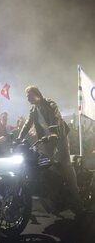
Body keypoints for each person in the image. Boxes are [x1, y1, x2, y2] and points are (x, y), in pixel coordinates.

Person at [18, 85, 83, 213]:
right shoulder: (33, 110)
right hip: (46, 140)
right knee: (46, 165)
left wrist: (54, 133)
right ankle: (53, 194)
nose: (28, 99)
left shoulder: (49, 104)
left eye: (29, 96)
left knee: (65, 164)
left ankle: (77, 198)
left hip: (59, 137)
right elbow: (27, 124)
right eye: (27, 97)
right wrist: (19, 138)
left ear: (37, 94)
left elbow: (56, 118)